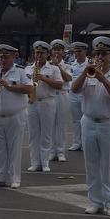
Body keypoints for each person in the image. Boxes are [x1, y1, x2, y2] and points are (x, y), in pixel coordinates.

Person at [72, 36, 110, 216]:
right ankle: (95, 201)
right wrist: (84, 72)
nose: (100, 57)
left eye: (104, 54)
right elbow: (74, 89)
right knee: (91, 164)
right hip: (88, 122)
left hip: (109, 123)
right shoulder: (88, 73)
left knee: (109, 165)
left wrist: (103, 79)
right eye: (98, 53)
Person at [0, 44, 32, 189]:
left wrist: (9, 86)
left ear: (13, 56)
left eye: (6, 57)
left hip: (15, 115)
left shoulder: (20, 71)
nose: (2, 60)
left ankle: (15, 178)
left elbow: (30, 88)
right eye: (1, 57)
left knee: (14, 148)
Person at [26, 41, 63, 173]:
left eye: (42, 53)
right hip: (32, 102)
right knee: (33, 134)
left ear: (47, 54)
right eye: (37, 53)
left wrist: (43, 78)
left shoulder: (54, 69)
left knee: (46, 134)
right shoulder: (28, 69)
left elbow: (60, 85)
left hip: (47, 101)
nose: (39, 55)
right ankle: (35, 162)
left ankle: (45, 162)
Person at [50, 39, 73, 162]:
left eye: (59, 50)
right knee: (50, 124)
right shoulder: (47, 65)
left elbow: (68, 78)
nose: (57, 52)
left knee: (61, 124)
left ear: (63, 52)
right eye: (55, 50)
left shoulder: (67, 65)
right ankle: (51, 151)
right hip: (51, 95)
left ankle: (60, 151)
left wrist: (58, 66)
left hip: (63, 94)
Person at [68, 42, 89, 151]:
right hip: (73, 93)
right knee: (76, 119)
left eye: (79, 51)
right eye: (75, 51)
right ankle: (77, 142)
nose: (77, 54)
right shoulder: (72, 64)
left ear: (85, 51)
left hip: (85, 93)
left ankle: (85, 142)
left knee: (85, 118)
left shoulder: (90, 64)